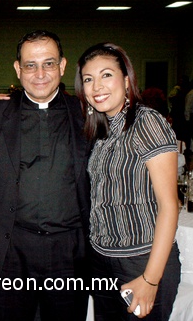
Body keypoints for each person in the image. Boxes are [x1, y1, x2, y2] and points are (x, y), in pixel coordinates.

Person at [0, 30, 91, 321]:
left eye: (49, 63)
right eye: (30, 65)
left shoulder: (87, 114)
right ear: (18, 69)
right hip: (11, 250)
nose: (39, 73)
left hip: (69, 250)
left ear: (63, 66)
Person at [74, 42, 180, 320]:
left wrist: (150, 279)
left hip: (141, 260)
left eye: (106, 75)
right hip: (102, 259)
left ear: (125, 78)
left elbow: (170, 206)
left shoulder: (146, 122)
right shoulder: (101, 130)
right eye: (88, 79)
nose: (97, 86)